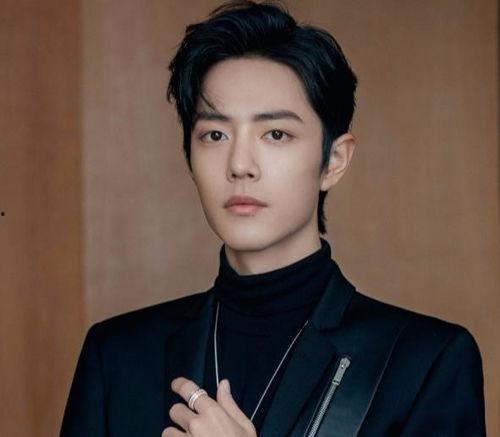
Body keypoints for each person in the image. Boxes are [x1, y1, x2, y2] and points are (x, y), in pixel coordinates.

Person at [60, 1, 486, 436]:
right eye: (215, 134)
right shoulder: (116, 356)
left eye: (276, 134)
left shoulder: (424, 363)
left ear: (334, 160)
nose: (240, 164)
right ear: (189, 156)